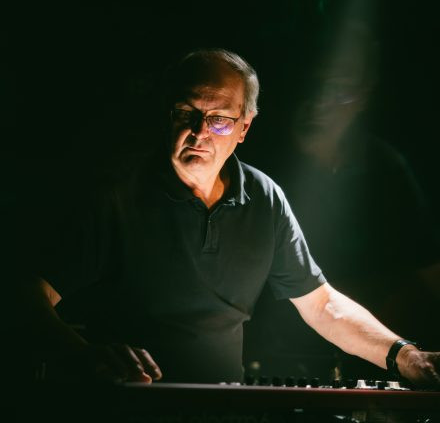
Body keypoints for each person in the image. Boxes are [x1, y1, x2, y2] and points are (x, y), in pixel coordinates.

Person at [7, 48, 440, 387]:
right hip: (128, 408)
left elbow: (322, 304)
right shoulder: (118, 196)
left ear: (244, 128)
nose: (199, 132)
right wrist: (83, 354)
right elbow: (24, 294)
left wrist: (405, 355)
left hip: (223, 408)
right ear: (168, 114)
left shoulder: (264, 198)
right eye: (186, 114)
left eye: (218, 120)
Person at [243, 21, 440, 381]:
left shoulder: (385, 167)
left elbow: (428, 270)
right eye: (314, 85)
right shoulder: (253, 165)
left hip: (362, 357)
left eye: (339, 90)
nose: (320, 102)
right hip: (263, 357)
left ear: (364, 95)